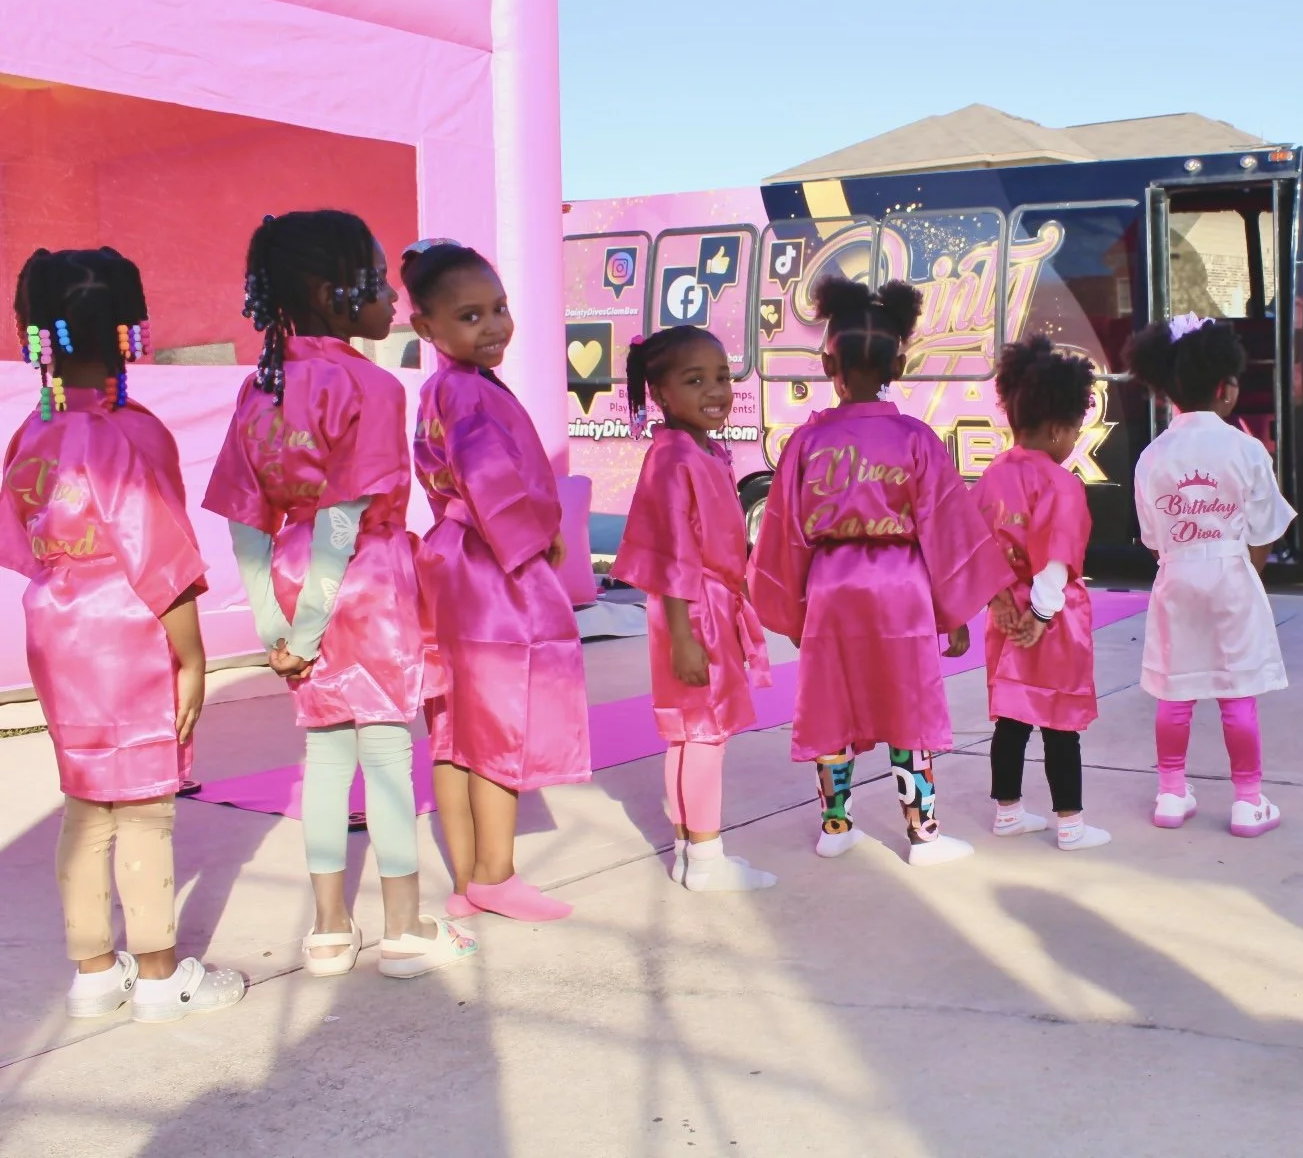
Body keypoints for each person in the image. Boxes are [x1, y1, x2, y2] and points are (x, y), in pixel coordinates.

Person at [205, 212, 476, 978]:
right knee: (387, 757)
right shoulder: (372, 385)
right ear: (332, 294)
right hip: (368, 585)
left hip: (295, 587)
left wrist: (277, 628)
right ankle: (403, 928)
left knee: (323, 761)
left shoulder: (260, 390)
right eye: (375, 281)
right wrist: (316, 625)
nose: (392, 296)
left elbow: (246, 523)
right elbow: (345, 521)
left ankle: (326, 931)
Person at [0, 249, 244, 1021]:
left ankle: (94, 971)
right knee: (143, 807)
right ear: (131, 331)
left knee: (83, 803)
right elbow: (160, 556)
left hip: (60, 633)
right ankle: (163, 974)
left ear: (34, 333)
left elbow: (17, 537)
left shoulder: (30, 436)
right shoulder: (131, 435)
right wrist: (194, 655)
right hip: (129, 639)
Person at [750, 277, 1016, 866]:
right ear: (899, 361)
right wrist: (955, 613)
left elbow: (783, 533)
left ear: (829, 364)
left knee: (829, 703)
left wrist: (795, 612)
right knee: (909, 703)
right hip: (902, 588)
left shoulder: (805, 443)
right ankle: (922, 834)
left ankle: (836, 825)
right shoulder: (917, 440)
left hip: (830, 586)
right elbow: (946, 531)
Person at [403, 240, 591, 922]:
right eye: (472, 316)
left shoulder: (438, 390)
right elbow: (492, 484)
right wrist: (535, 542)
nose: (494, 327)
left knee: (454, 730)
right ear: (427, 327)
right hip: (489, 566)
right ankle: (496, 874)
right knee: (497, 725)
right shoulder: (468, 393)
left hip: (451, 561)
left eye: (500, 310)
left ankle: (466, 881)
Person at [611, 326, 777, 892]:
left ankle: (691, 850)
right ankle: (705, 857)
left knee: (692, 733)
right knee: (704, 733)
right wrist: (683, 635)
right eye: (695, 379)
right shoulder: (675, 457)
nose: (716, 390)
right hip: (693, 611)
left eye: (723, 376)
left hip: (703, 606)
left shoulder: (703, 450)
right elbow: (675, 553)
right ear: (659, 392)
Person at [1126, 313, 1296, 837]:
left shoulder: (1152, 456)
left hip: (1176, 576)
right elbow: (1265, 526)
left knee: (1175, 691)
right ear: (1225, 387)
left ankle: (1172, 795)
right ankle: (1248, 801)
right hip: (1231, 574)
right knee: (1235, 690)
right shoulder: (1246, 449)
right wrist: (1247, 569)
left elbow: (1153, 537)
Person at [973, 336, 1110, 851]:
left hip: (1004, 619)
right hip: (1050, 623)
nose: (1074, 440)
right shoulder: (1060, 483)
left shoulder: (991, 477)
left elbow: (976, 548)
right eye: (1075, 430)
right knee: (1059, 722)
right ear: (1057, 429)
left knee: (1011, 717)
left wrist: (1000, 603)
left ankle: (1007, 810)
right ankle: (1070, 823)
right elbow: (1057, 558)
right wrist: (1040, 615)